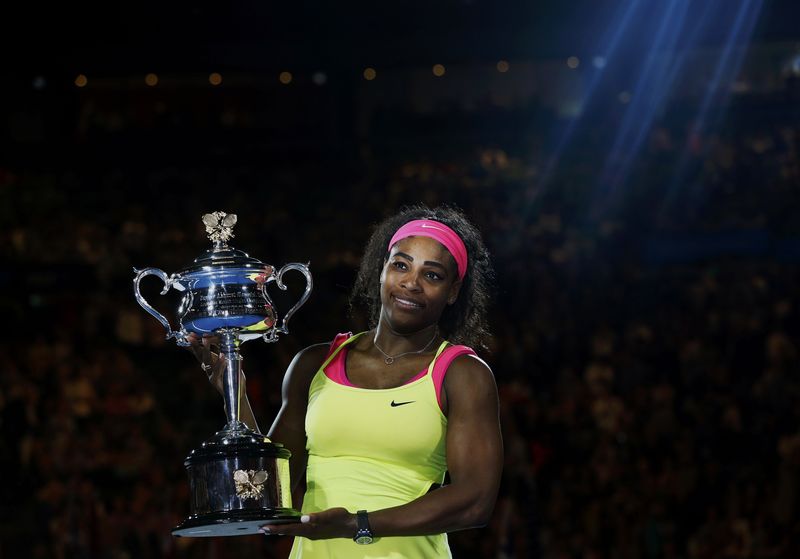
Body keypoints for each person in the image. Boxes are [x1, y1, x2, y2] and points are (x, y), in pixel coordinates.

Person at [189, 204, 503, 558]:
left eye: (432, 275)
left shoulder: (462, 373)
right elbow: (269, 491)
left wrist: (358, 524)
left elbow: (476, 502)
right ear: (381, 269)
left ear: (452, 290)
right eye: (401, 265)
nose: (411, 283)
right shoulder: (314, 363)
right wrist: (236, 394)